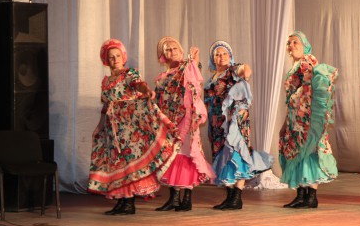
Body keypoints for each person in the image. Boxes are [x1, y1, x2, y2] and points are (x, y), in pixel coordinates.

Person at [88, 39, 179, 215]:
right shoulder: (106, 82)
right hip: (112, 127)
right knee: (116, 163)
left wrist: (146, 90)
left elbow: (139, 84)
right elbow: (106, 106)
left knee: (127, 161)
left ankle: (129, 202)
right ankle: (122, 200)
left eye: (118, 56)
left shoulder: (129, 74)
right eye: (111, 57)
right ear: (106, 60)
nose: (115, 59)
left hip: (128, 126)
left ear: (123, 57)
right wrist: (99, 127)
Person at [204, 40, 273, 210]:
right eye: (217, 54)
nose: (221, 57)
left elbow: (245, 69)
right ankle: (230, 197)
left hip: (234, 121)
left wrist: (245, 72)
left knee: (237, 154)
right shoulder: (212, 80)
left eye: (224, 54)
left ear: (230, 56)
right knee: (222, 157)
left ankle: (237, 197)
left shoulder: (232, 70)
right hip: (217, 123)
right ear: (213, 58)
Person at [153, 37, 215, 212]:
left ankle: (187, 198)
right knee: (172, 156)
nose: (172, 51)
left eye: (174, 48)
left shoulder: (187, 68)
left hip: (186, 120)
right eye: (168, 49)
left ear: (181, 51)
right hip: (169, 122)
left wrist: (194, 61)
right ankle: (174, 198)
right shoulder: (161, 78)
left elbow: (195, 84)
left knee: (187, 154)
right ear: (163, 56)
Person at [279, 31, 339, 209]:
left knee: (310, 151)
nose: (291, 46)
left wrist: (311, 114)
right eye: (289, 43)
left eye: (295, 42)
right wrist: (286, 122)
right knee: (298, 153)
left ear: (304, 45)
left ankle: (311, 196)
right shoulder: (295, 66)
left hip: (307, 118)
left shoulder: (307, 61)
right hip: (295, 119)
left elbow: (313, 86)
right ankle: (301, 194)